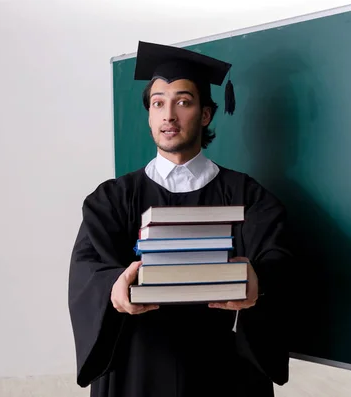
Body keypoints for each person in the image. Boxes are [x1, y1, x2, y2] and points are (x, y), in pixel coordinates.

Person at [68, 41, 293, 397]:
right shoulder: (112, 199)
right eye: (158, 103)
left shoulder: (248, 197)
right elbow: (87, 267)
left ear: (205, 115)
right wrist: (114, 285)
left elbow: (279, 259)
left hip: (223, 367)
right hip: (136, 365)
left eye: (183, 102)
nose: (168, 115)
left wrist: (258, 282)